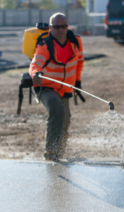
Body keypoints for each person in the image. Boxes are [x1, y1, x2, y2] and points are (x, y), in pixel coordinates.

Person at [29, 13, 84, 161]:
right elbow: (35, 63)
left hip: (66, 88)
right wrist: (36, 73)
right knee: (57, 110)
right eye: (56, 26)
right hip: (45, 87)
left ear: (67, 26)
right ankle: (51, 155)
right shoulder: (45, 45)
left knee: (65, 120)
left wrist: (77, 83)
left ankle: (59, 155)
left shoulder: (76, 41)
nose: (60, 29)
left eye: (63, 26)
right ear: (50, 28)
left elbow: (79, 63)